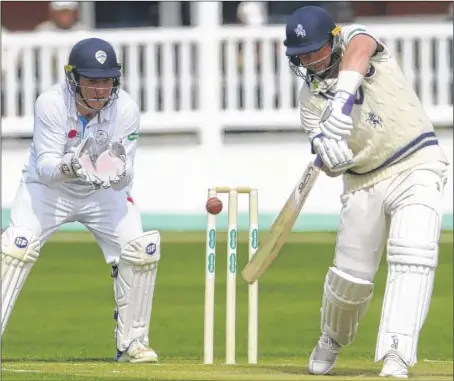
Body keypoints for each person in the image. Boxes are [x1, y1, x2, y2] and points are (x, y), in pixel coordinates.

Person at [283, 6, 449, 378]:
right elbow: (323, 159)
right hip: (362, 181)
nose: (309, 61)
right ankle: (332, 337)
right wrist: (329, 155)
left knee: (413, 254)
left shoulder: (355, 38)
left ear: (332, 38)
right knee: (350, 279)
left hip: (417, 161)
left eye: (314, 50)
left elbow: (360, 48)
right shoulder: (309, 104)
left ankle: (397, 353)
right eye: (301, 55)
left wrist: (342, 99)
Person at [1, 37, 161, 364]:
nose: (100, 90)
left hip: (101, 194)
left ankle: (133, 343)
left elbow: (127, 175)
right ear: (74, 78)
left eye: (106, 81)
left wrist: (115, 171)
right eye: (91, 81)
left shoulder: (126, 108)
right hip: (48, 191)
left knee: (141, 250)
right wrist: (71, 165)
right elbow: (45, 167)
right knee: (17, 246)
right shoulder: (51, 103)